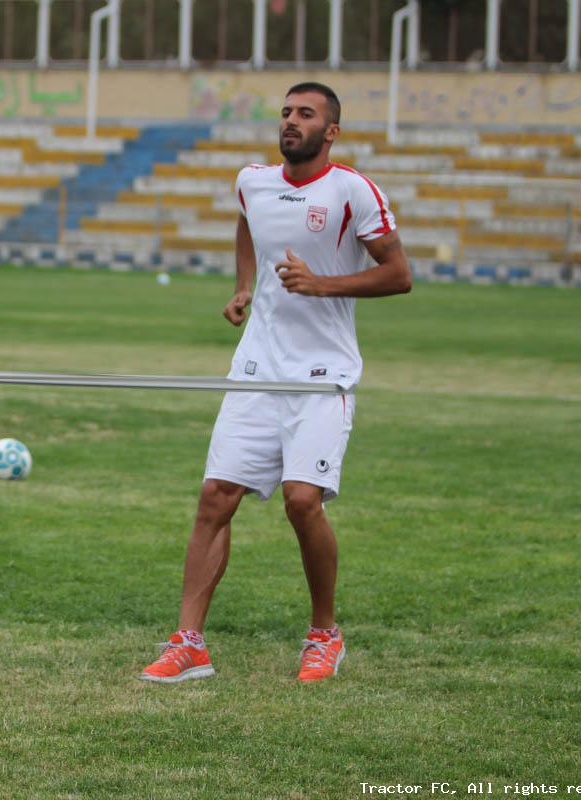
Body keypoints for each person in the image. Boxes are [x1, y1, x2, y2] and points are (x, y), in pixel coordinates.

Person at [139, 82, 412, 685]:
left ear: (331, 131)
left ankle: (324, 634)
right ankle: (189, 643)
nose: (291, 121)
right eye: (287, 112)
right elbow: (249, 225)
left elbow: (398, 275)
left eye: (305, 114)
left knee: (301, 501)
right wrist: (244, 285)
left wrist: (323, 285)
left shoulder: (352, 191)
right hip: (256, 370)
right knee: (215, 497)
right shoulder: (252, 181)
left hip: (323, 377)